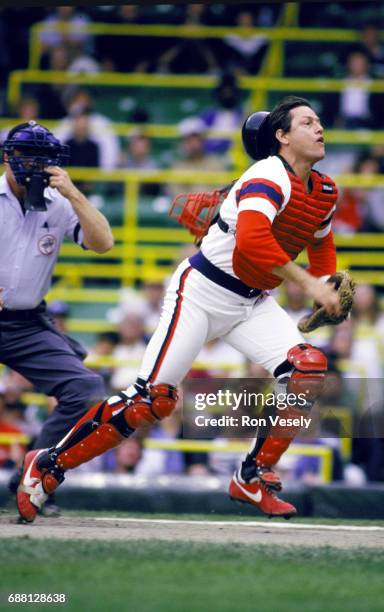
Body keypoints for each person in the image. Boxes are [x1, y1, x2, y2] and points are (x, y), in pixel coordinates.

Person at [17, 97, 343, 522]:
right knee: (152, 400)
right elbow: (253, 242)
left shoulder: (326, 190)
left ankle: (253, 474)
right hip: (202, 292)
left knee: (307, 368)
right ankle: (48, 466)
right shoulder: (267, 173)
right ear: (282, 137)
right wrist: (310, 284)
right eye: (307, 122)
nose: (319, 128)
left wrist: (329, 282)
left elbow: (320, 242)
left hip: (253, 301)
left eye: (319, 121)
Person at [0, 121, 113, 509]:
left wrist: (74, 193)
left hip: (26, 322)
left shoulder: (59, 202)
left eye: (44, 159)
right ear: (8, 158)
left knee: (85, 391)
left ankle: (29, 481)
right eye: (29, 157)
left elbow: (103, 243)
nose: (37, 166)